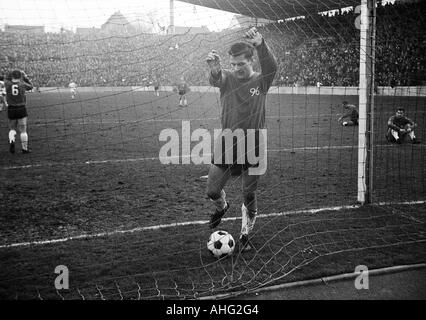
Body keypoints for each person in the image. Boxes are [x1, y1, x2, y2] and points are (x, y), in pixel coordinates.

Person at [205, 26, 277, 251]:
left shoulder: (261, 81)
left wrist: (261, 44)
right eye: (233, 64)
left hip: (254, 146)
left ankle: (245, 233)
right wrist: (215, 70)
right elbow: (216, 79)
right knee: (212, 191)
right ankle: (222, 207)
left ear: (251, 62)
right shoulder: (226, 79)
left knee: (249, 193)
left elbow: (272, 66)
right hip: (228, 143)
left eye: (241, 64)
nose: (236, 68)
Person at [5, 69, 33, 154]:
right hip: (21, 108)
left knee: (12, 129)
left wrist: (10, 74)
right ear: (20, 76)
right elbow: (31, 86)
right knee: (23, 130)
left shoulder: (7, 84)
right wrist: (25, 77)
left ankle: (12, 143)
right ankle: (24, 149)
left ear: (12, 76)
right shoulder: (22, 84)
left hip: (11, 108)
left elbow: (6, 78)